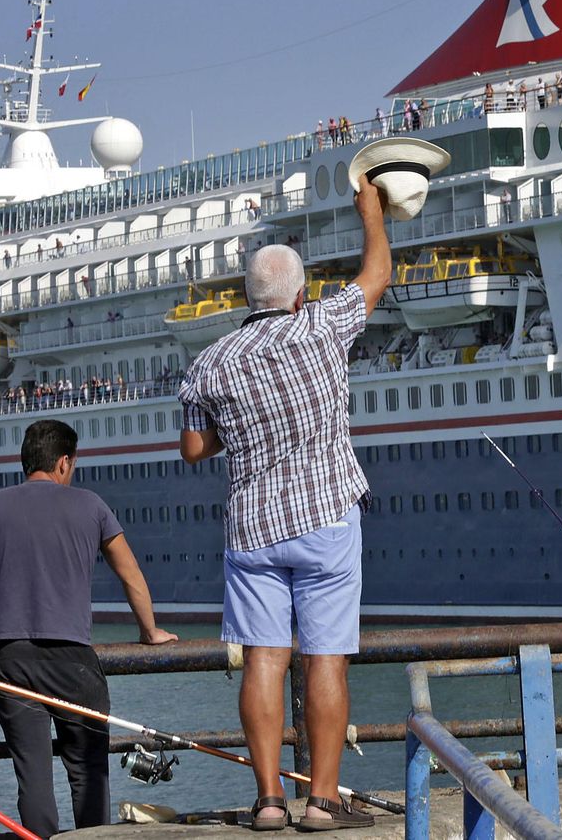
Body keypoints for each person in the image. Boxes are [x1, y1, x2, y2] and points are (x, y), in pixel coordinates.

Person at [178, 182, 392, 832]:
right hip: (326, 516)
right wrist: (372, 215)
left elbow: (193, 448)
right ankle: (321, 802)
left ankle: (269, 799)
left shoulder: (209, 365)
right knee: (325, 657)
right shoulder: (322, 325)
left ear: (249, 297)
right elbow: (378, 272)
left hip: (252, 528)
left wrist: (236, 428)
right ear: (300, 294)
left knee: (265, 658)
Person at [0, 420, 177, 838]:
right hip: (74, 663)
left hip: (11, 660)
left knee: (32, 774)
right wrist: (150, 631)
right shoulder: (91, 506)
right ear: (63, 462)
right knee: (88, 771)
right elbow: (131, 574)